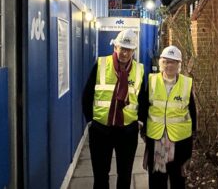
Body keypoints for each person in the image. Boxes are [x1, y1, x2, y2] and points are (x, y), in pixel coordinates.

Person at [82, 29, 144, 189]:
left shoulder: (140, 70)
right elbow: (87, 94)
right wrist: (90, 121)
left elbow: (143, 99)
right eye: (122, 48)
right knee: (101, 175)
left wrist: (140, 123)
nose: (125, 53)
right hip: (101, 130)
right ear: (115, 47)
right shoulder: (101, 64)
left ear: (133, 51)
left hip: (127, 131)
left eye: (128, 49)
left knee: (125, 175)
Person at [139, 45, 197, 189]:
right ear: (161, 63)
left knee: (178, 179)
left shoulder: (186, 83)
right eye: (165, 61)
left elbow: (192, 112)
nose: (169, 65)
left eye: (173, 62)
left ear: (179, 64)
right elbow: (144, 107)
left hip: (179, 140)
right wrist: (143, 129)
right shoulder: (152, 81)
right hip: (156, 138)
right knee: (156, 180)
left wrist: (192, 136)